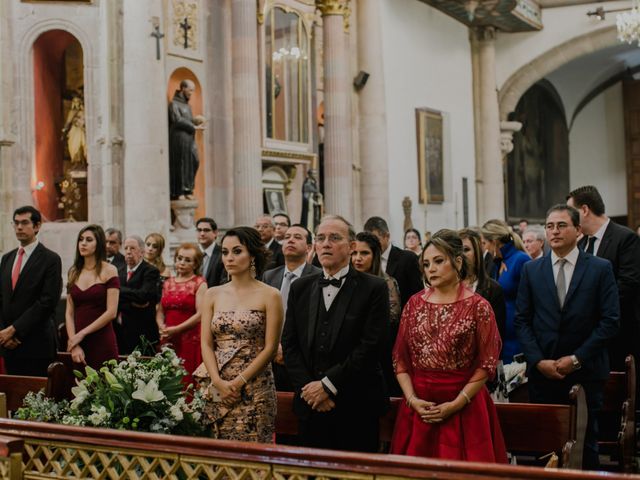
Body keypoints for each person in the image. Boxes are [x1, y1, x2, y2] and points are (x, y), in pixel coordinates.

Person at [515, 204, 619, 469]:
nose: (554, 231)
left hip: (585, 373)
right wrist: (538, 361)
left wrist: (576, 359)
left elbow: (609, 322)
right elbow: (523, 320)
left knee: (585, 445)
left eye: (561, 225)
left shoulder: (599, 268)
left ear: (578, 230)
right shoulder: (532, 270)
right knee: (545, 448)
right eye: (550, 226)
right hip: (543, 374)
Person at [390, 229, 506, 462]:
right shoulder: (413, 304)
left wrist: (456, 403)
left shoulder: (478, 306)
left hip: (465, 406)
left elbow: (487, 363)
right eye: (426, 263)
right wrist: (412, 400)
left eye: (438, 261)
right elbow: (400, 358)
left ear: (458, 261)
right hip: (419, 406)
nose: (430, 268)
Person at [282, 215, 389, 452]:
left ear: (352, 246)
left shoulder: (374, 288)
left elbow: (371, 346)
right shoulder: (300, 287)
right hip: (310, 405)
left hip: (355, 404)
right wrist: (309, 389)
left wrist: (328, 385)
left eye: (334, 238)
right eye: (321, 238)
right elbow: (289, 344)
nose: (326, 243)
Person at [196, 226, 282, 442]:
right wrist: (217, 382)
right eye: (225, 252)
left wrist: (238, 382)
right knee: (218, 451)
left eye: (237, 251)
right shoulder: (212, 294)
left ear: (252, 254)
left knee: (253, 455)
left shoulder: (271, 295)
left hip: (255, 386)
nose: (229, 258)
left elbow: (271, 347)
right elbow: (206, 343)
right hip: (217, 383)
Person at [567, 185, 640, 371]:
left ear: (584, 210)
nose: (569, 218)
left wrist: (591, 305)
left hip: (619, 335)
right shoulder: (581, 244)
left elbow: (628, 283)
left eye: (571, 212)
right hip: (587, 338)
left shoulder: (625, 238)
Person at [0, 206, 62, 376]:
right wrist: (4, 333)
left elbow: (47, 302)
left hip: (36, 344)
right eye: (16, 223)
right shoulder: (7, 259)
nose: (19, 227)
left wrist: (14, 330)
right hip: (8, 345)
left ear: (37, 226)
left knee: (37, 399)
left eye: (25, 223)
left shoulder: (50, 259)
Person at [263, 224, 320, 391]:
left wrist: (288, 350)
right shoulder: (270, 275)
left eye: (297, 237)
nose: (290, 240)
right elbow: (264, 315)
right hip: (271, 354)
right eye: (287, 237)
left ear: (309, 247)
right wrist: (273, 347)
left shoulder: (318, 276)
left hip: (304, 357)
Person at [351, 231, 402, 396]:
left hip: (379, 353)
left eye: (364, 253)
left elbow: (392, 318)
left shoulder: (387, 282)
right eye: (354, 253)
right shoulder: (347, 281)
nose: (358, 258)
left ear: (375, 255)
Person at [65, 225, 120, 369]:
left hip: (102, 340)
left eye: (89, 240)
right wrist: (74, 343)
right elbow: (69, 312)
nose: (83, 243)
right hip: (78, 342)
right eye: (81, 239)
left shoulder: (109, 270)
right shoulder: (73, 272)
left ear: (99, 244)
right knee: (78, 388)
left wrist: (81, 334)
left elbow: (112, 312)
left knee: (105, 387)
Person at [157, 243, 207, 385]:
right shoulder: (168, 283)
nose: (182, 263)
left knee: (186, 378)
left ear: (195, 264)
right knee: (168, 379)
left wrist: (177, 329)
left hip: (190, 338)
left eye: (187, 260)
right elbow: (160, 311)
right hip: (168, 336)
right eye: (179, 258)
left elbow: (201, 314)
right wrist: (161, 326)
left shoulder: (199, 283)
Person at [481, 219, 530, 363]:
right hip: (501, 335)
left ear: (495, 241)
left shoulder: (520, 260)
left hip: (516, 337)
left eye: (485, 243)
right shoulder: (497, 262)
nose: (485, 249)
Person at [364, 216, 423, 310]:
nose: (372, 245)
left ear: (387, 236)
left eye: (375, 240)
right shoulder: (365, 260)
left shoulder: (408, 259)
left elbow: (418, 295)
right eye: (368, 242)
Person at [458, 228, 506, 342]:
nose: (461, 255)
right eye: (457, 250)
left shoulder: (493, 289)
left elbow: (497, 336)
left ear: (477, 253)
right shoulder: (445, 287)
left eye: (466, 249)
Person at [116, 236, 161, 355]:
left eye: (132, 248)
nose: (128, 252)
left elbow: (143, 296)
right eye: (126, 248)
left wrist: (118, 290)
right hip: (120, 330)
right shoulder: (118, 271)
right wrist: (131, 299)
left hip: (142, 331)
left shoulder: (150, 271)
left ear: (142, 252)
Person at [169, 79, 203, 200]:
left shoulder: (188, 106)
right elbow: (177, 120)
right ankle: (180, 191)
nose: (192, 92)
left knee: (194, 161)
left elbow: (187, 120)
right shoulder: (174, 104)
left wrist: (196, 121)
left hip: (189, 138)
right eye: (190, 89)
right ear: (183, 88)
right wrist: (192, 125)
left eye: (193, 90)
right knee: (181, 163)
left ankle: (188, 188)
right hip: (179, 139)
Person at [196, 217, 225, 287]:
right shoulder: (193, 253)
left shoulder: (223, 253)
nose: (202, 233)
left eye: (206, 230)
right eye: (199, 230)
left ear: (215, 233)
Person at [62, 94, 87, 165]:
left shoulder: (83, 112)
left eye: (77, 101)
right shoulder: (71, 112)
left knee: (80, 146)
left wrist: (80, 123)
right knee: (72, 146)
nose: (76, 103)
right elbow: (67, 122)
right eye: (74, 101)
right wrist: (64, 131)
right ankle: (75, 162)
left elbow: (85, 121)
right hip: (73, 131)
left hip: (80, 131)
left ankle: (81, 163)